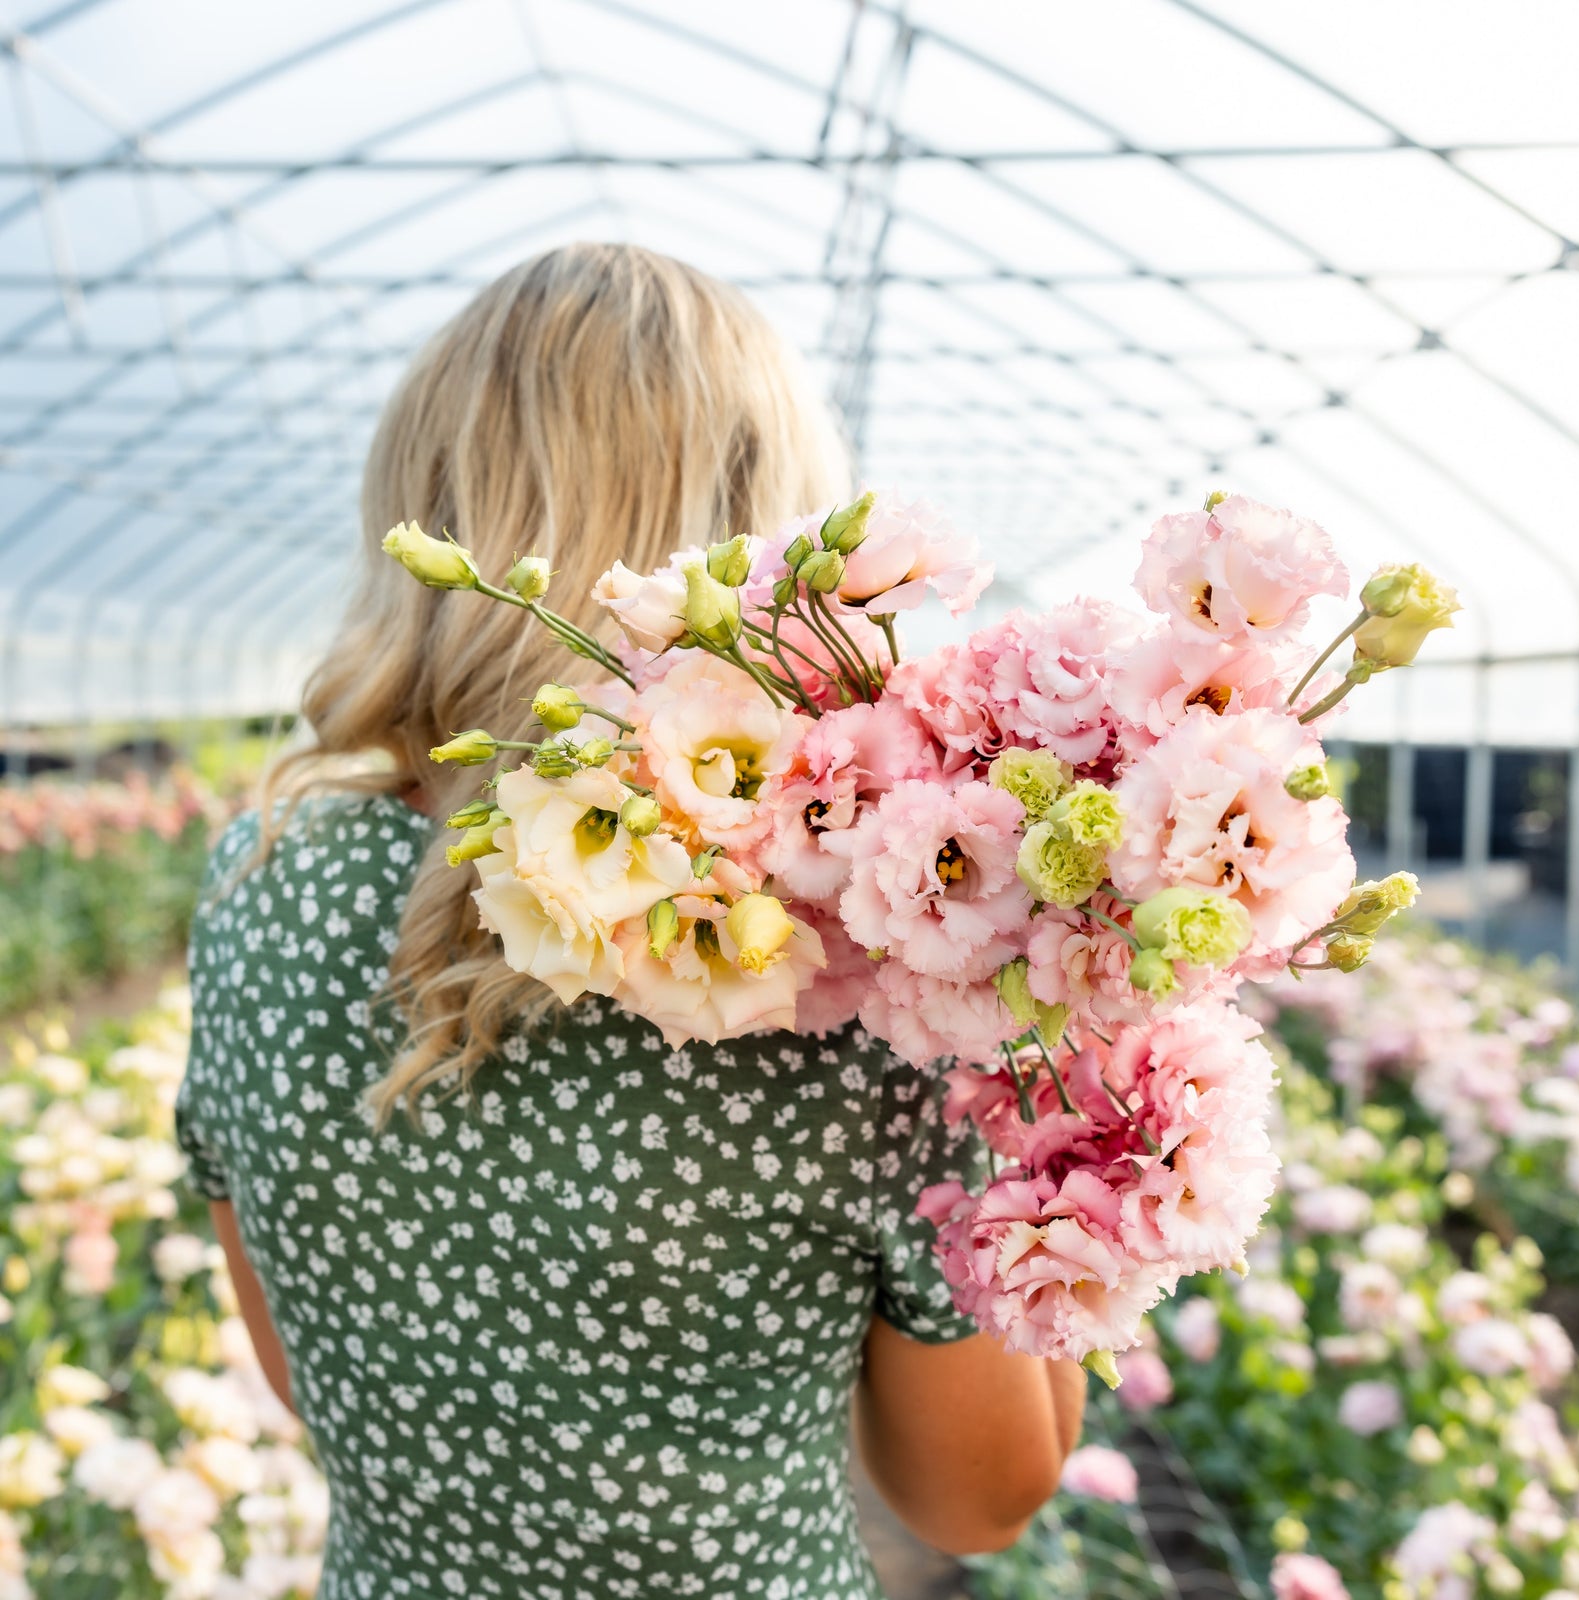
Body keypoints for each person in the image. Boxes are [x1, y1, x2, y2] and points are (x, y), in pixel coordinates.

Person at [176, 241, 1085, 1600]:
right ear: (766, 532)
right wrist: (1051, 1084)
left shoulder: (264, 884)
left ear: (420, 517)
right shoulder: (841, 962)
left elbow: (315, 1386)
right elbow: (971, 1502)